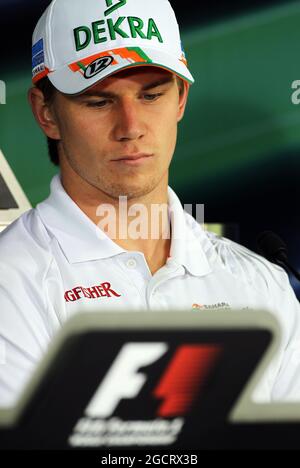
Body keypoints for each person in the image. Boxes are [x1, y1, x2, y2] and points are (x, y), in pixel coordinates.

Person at [0, 0, 300, 409]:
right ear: (45, 112)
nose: (131, 128)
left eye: (151, 95)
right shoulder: (9, 281)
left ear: (180, 100)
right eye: (99, 101)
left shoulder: (263, 285)